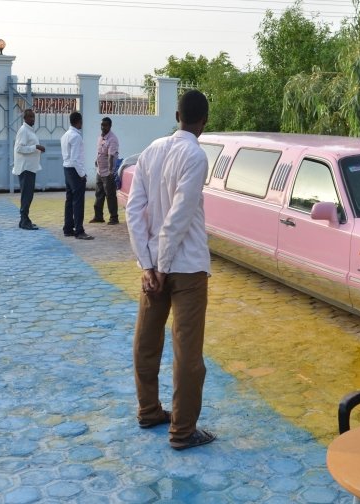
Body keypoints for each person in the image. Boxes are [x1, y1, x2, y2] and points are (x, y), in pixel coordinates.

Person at [126, 90, 215, 450]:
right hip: (186, 267)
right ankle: (182, 430)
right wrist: (160, 265)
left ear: (177, 115)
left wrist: (147, 264)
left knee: (146, 341)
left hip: (153, 268)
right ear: (204, 122)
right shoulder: (195, 155)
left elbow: (134, 210)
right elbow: (180, 215)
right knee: (187, 352)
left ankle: (149, 410)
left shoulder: (151, 151)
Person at [61, 111, 93, 240]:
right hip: (75, 171)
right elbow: (75, 159)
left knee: (69, 200)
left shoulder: (65, 135)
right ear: (79, 121)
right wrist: (82, 174)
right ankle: (79, 231)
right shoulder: (76, 137)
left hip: (67, 169)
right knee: (78, 202)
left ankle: (68, 228)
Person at [12, 109, 45, 230]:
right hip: (25, 168)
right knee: (27, 196)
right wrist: (36, 147)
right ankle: (24, 221)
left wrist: (37, 148)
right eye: (30, 117)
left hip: (31, 167)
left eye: (33, 117)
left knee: (28, 195)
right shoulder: (23, 130)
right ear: (24, 118)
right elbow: (19, 148)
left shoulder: (29, 130)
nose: (32, 119)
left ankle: (24, 220)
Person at [90, 117, 120, 225]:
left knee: (110, 195)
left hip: (108, 172)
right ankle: (98, 217)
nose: (103, 127)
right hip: (99, 171)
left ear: (110, 126)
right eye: (102, 125)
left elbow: (111, 156)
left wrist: (111, 171)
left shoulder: (112, 139)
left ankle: (114, 218)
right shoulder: (100, 137)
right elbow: (100, 152)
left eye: (105, 125)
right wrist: (96, 160)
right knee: (99, 194)